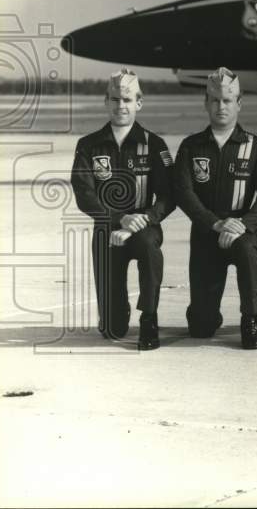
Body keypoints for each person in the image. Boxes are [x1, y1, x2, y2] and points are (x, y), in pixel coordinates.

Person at [173, 68, 257, 350]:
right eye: (215, 100)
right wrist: (215, 223)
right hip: (207, 234)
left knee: (246, 252)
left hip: (243, 231)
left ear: (239, 103)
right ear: (206, 103)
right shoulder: (191, 146)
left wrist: (243, 224)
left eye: (228, 101)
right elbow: (184, 193)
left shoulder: (256, 147)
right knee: (201, 328)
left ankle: (250, 320)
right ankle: (206, 313)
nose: (221, 106)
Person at [70, 69, 174, 350]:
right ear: (106, 101)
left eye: (127, 99)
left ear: (139, 102)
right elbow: (84, 193)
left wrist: (145, 219)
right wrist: (119, 219)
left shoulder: (155, 145)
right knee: (112, 330)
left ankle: (149, 318)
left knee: (150, 250)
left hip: (144, 228)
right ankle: (116, 310)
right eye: (115, 99)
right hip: (106, 230)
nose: (120, 106)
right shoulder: (88, 145)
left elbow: (168, 195)